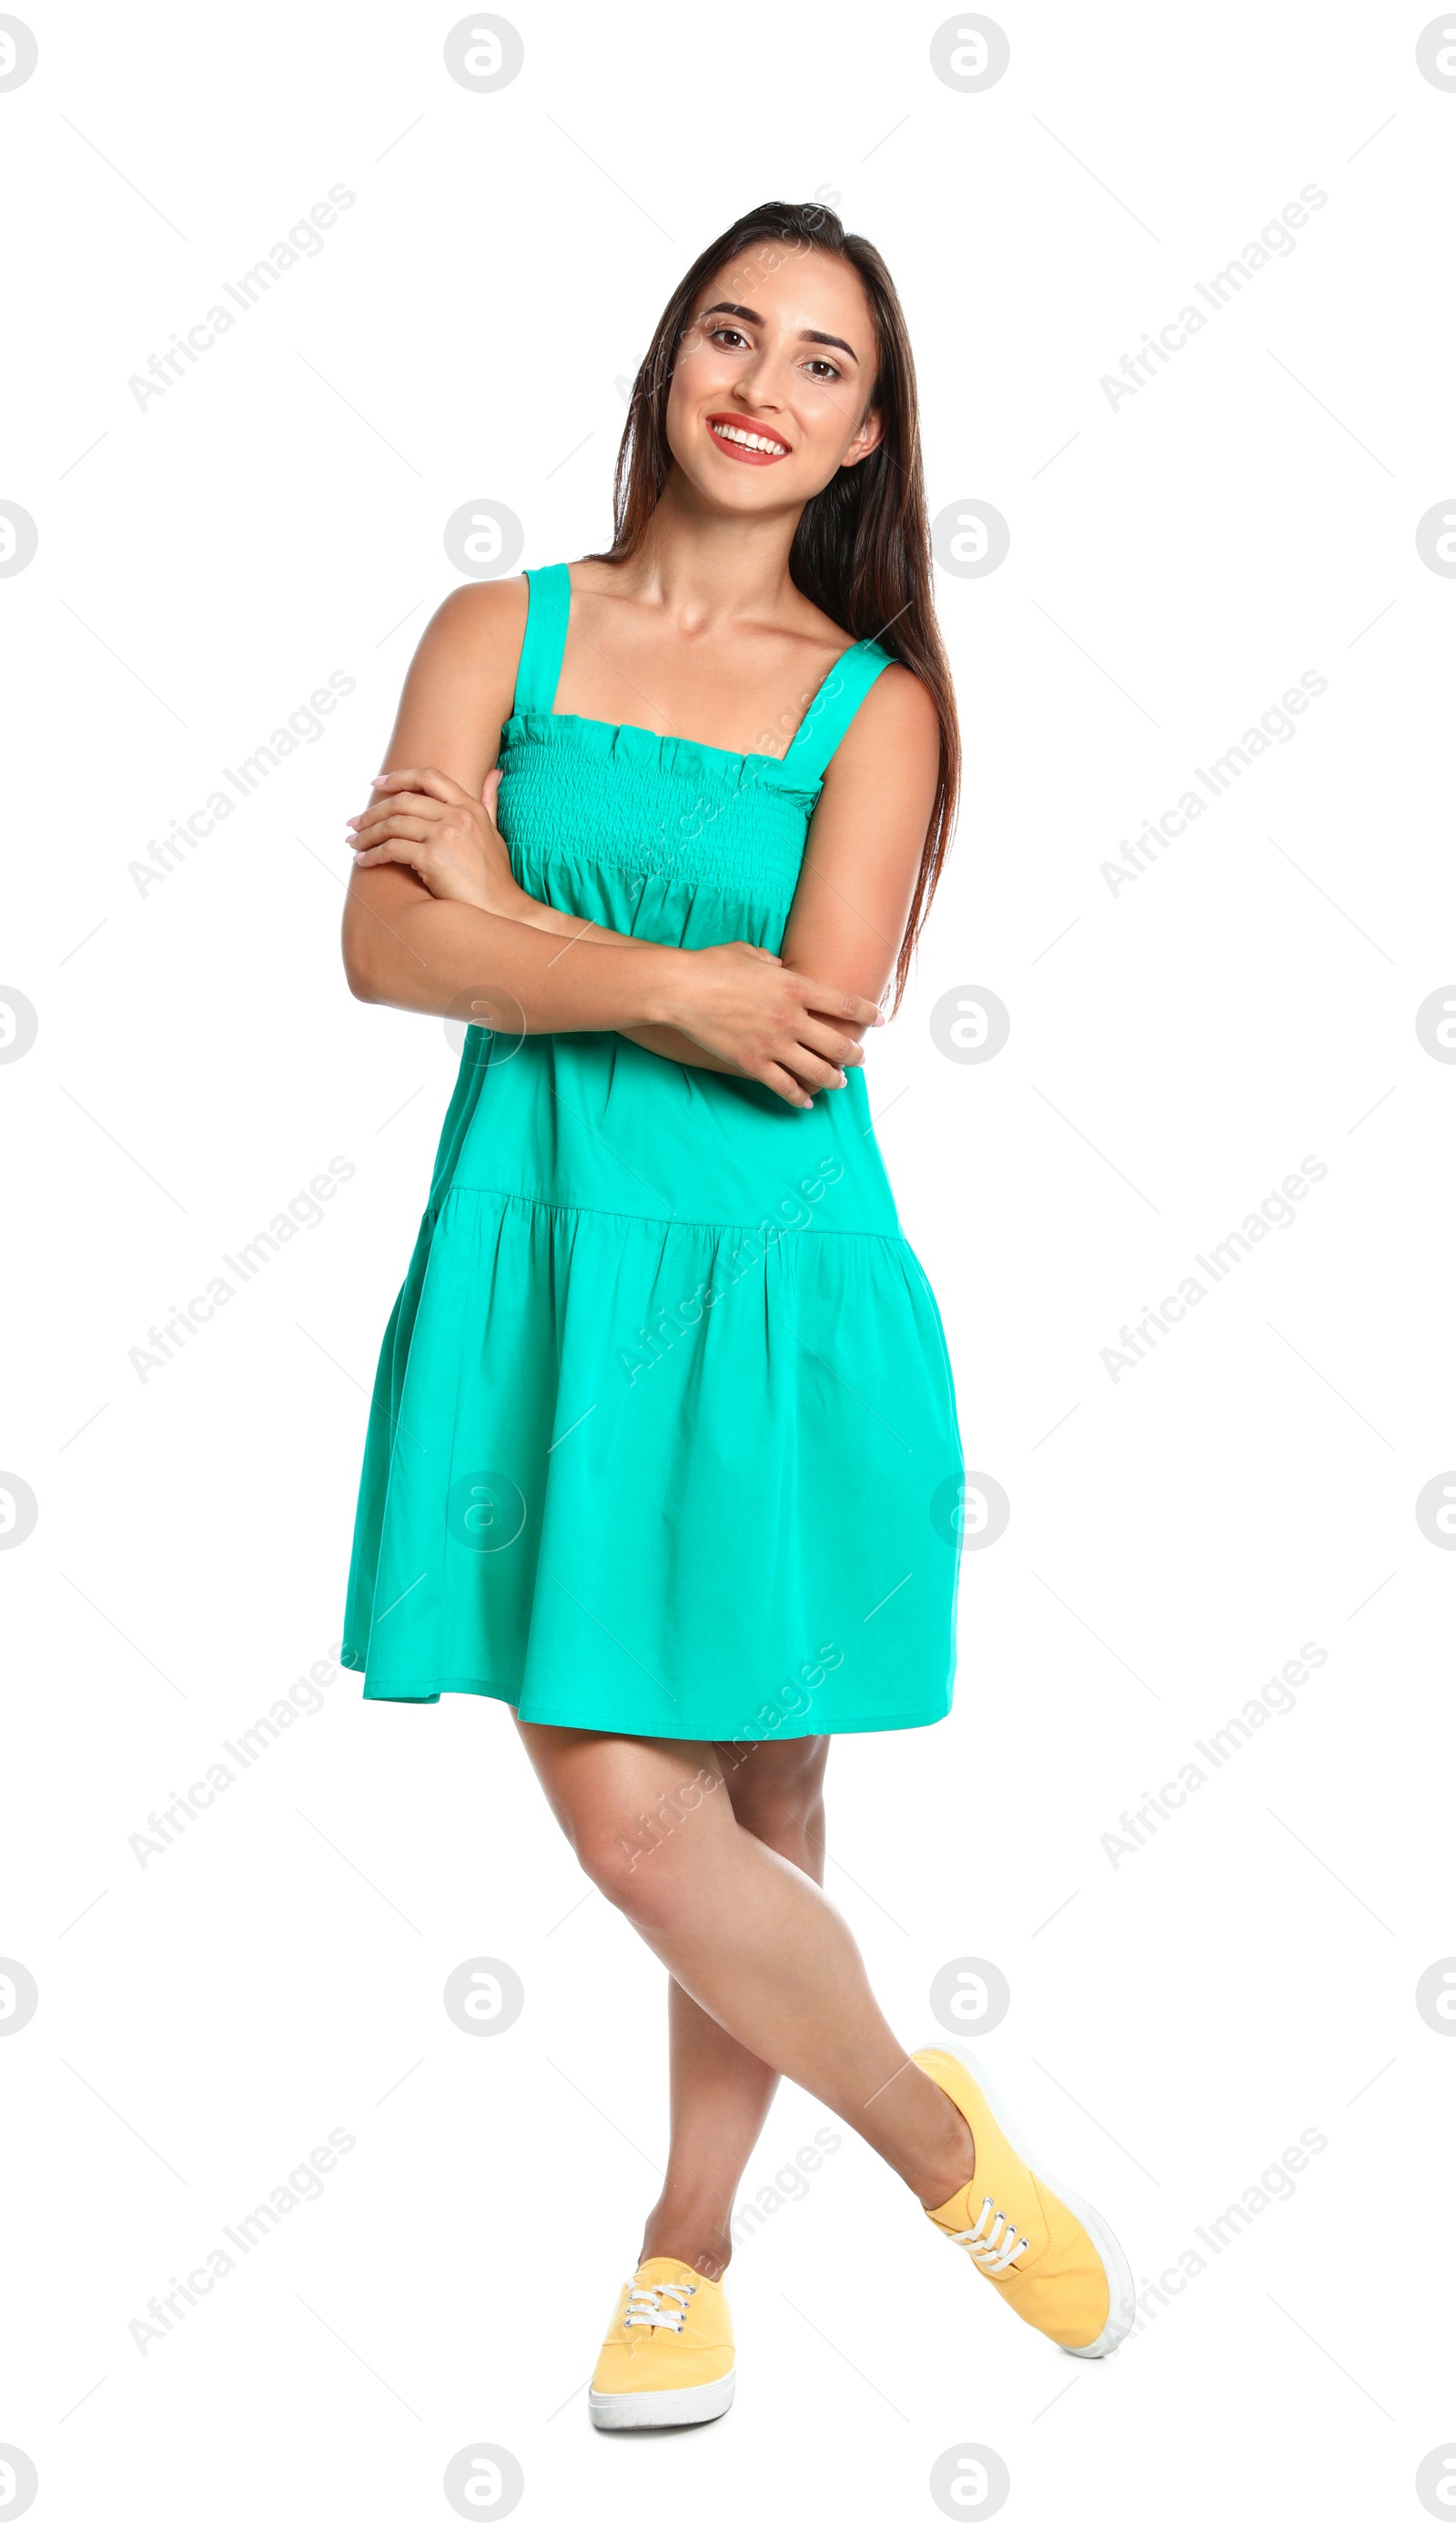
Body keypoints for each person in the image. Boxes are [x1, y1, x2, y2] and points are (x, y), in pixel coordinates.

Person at [339, 199, 1133, 2430]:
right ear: (668, 361)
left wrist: (519, 902)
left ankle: (682, 2246)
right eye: (729, 334)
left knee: (752, 1807)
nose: (759, 387)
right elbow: (384, 951)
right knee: (628, 1817)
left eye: (817, 364)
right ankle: (934, 2142)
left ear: (868, 434)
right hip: (544, 1269)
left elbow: (814, 1022)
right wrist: (661, 975)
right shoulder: (495, 627)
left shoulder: (870, 709)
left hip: (780, 1300)